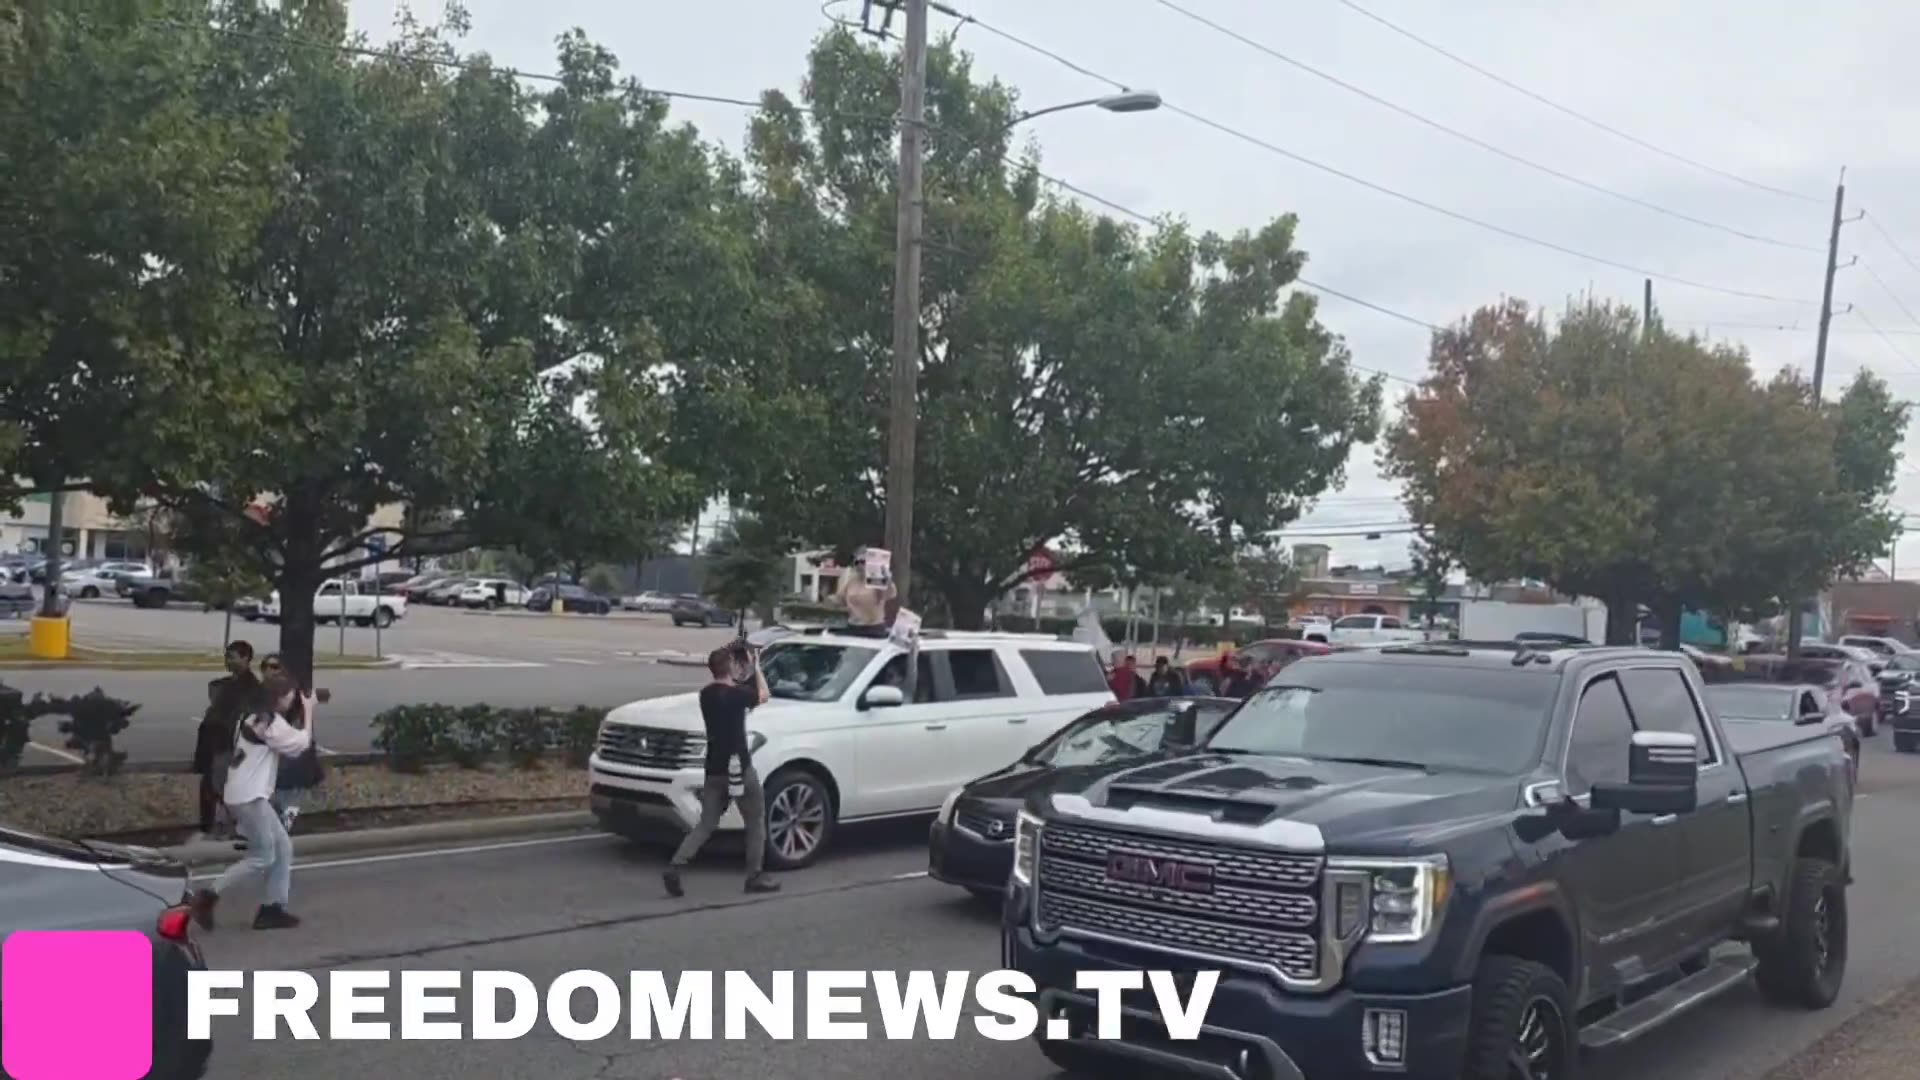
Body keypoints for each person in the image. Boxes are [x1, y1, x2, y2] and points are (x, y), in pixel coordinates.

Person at [189, 672, 314, 931]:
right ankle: (207, 896)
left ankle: (273, 908)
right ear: (280, 696)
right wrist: (310, 712)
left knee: (283, 848)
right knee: (264, 856)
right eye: (291, 696)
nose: (293, 700)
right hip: (248, 797)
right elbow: (300, 743)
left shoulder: (257, 717)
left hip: (247, 794)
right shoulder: (268, 723)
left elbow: (286, 737)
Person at [663, 645, 781, 897]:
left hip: (714, 769)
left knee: (706, 823)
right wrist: (756, 666)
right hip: (739, 768)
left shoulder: (705, 695)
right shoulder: (738, 695)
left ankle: (675, 866)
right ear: (731, 668)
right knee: (755, 820)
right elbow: (763, 694)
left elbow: (735, 689)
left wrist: (741, 668)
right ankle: (754, 876)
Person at [192, 641, 258, 841]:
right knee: (215, 789)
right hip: (216, 745)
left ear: (246, 658)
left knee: (216, 790)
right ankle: (223, 829)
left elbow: (240, 719)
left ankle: (216, 831)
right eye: (226, 657)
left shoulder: (249, 688)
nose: (227, 661)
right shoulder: (230, 684)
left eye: (232, 657)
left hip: (228, 746)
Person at [261, 653, 322, 830]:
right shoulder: (257, 694)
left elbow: (300, 732)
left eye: (275, 667)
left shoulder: (291, 697)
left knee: (284, 802)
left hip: (287, 763)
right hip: (266, 765)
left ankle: (282, 825)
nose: (271, 671)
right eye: (267, 667)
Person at [836, 552, 897, 638]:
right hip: (854, 626)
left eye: (863, 562)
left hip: (873, 628)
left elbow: (891, 593)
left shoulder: (876, 580)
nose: (860, 565)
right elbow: (839, 599)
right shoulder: (851, 581)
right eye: (856, 562)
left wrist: (888, 579)